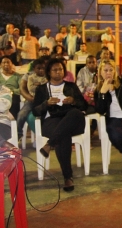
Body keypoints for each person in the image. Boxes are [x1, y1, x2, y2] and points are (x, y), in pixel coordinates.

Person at [34, 58, 88, 192]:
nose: (58, 72)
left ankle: (49, 144)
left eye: (60, 69)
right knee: (63, 136)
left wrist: (73, 101)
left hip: (72, 118)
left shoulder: (71, 86)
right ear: (49, 72)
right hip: (51, 121)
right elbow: (35, 110)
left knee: (75, 112)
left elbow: (84, 106)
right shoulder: (42, 89)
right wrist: (46, 103)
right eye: (55, 70)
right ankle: (68, 177)